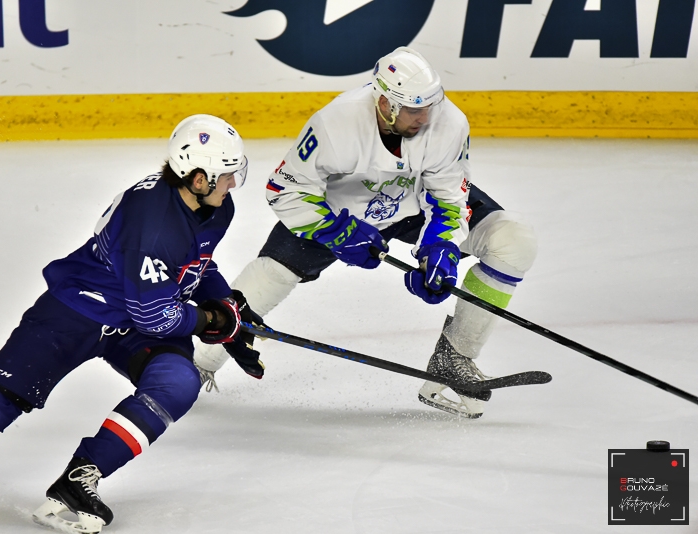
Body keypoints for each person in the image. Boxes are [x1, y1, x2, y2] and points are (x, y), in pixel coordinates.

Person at [0, 114, 265, 534]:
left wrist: (226, 303)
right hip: (78, 310)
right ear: (198, 179)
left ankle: (80, 478)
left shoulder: (213, 207)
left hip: (136, 317)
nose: (233, 185)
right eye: (226, 176)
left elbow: (195, 262)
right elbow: (156, 315)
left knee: (177, 382)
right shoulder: (155, 225)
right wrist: (206, 320)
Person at [193, 47, 538, 419]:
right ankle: (197, 362)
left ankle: (455, 357)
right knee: (268, 277)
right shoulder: (336, 123)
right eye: (413, 109)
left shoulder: (449, 123)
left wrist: (441, 246)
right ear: (386, 102)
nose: (424, 117)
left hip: (414, 206)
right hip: (342, 211)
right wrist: (336, 231)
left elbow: (451, 196)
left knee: (513, 240)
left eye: (429, 107)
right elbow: (285, 189)